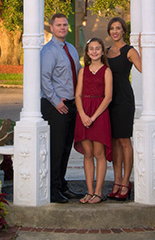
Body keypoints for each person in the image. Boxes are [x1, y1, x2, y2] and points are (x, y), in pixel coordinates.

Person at [40, 13, 84, 203]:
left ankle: (62, 184)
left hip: (71, 104)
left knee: (66, 148)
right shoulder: (48, 51)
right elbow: (44, 79)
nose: (63, 28)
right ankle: (52, 188)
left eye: (65, 25)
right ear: (52, 28)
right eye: (58, 25)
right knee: (56, 148)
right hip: (55, 106)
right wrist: (56, 101)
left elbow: (79, 71)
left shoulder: (71, 49)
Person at [105, 16, 142, 201]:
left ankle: (127, 182)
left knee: (124, 140)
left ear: (123, 31)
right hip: (107, 101)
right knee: (113, 142)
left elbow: (145, 69)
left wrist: (142, 49)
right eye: (112, 28)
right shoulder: (105, 52)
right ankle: (117, 181)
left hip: (124, 100)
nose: (115, 31)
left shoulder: (129, 50)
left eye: (118, 28)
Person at [73, 37, 113, 204]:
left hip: (99, 113)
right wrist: (82, 114)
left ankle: (98, 192)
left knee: (99, 153)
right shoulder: (83, 71)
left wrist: (93, 117)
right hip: (84, 112)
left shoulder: (106, 71)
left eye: (98, 48)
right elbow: (78, 95)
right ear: (87, 52)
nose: (95, 51)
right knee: (88, 153)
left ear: (102, 52)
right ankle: (89, 191)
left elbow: (108, 97)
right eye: (91, 49)